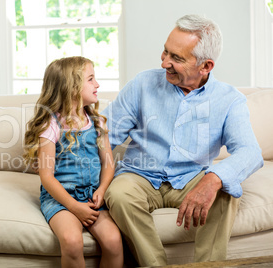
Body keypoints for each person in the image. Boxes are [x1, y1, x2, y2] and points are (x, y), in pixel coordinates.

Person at [101, 14, 263, 267]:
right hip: (139, 174)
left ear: (206, 66)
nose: (165, 62)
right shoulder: (143, 83)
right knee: (119, 194)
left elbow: (250, 152)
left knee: (226, 193)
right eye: (165, 52)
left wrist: (213, 179)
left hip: (191, 177)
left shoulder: (230, 100)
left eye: (176, 58)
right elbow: (104, 135)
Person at [24, 56, 124, 268]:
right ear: (71, 87)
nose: (97, 84)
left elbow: (108, 164)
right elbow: (46, 176)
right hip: (61, 199)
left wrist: (103, 189)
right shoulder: (50, 126)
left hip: (92, 195)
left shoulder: (97, 123)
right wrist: (74, 207)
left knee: (114, 242)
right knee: (71, 241)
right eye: (91, 79)